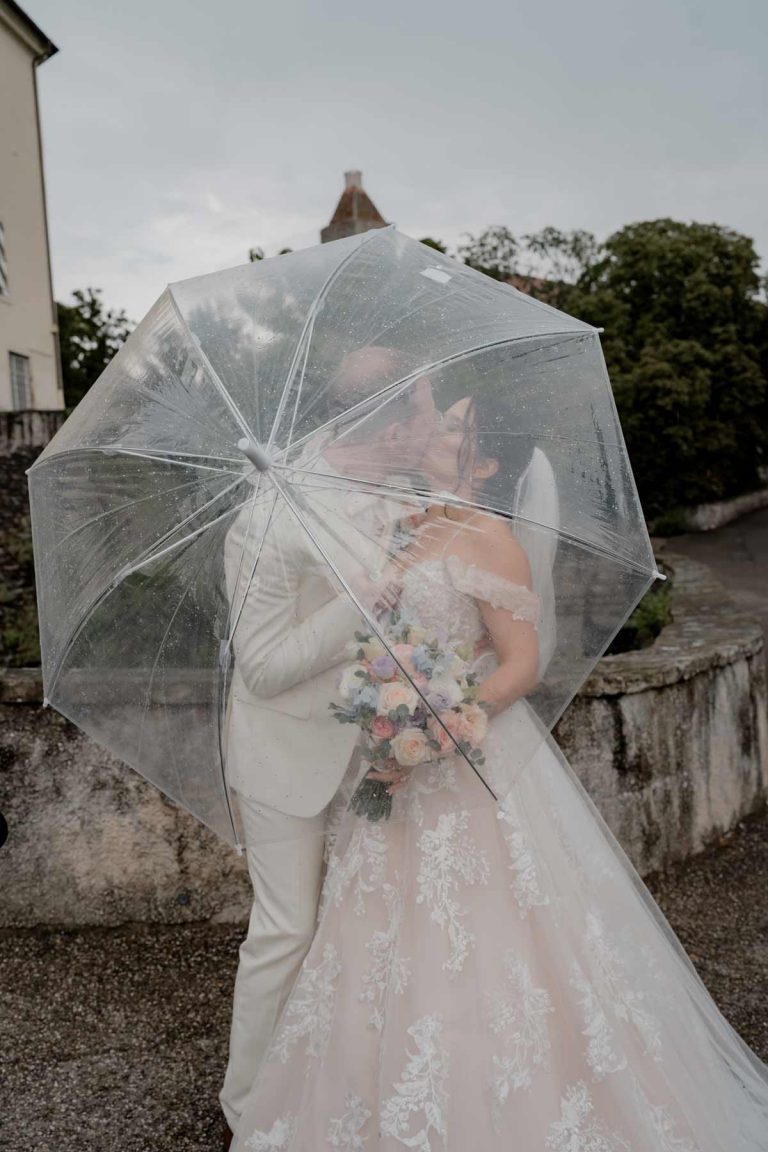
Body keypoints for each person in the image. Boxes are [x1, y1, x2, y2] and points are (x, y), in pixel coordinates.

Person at [229, 390, 768, 1150]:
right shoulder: (400, 523)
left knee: (492, 947)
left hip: (464, 765)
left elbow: (520, 665)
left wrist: (432, 729)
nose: (430, 431)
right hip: (389, 773)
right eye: (435, 419)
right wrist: (388, 719)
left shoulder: (491, 538)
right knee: (372, 947)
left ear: (482, 463)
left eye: (450, 428)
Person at [219, 346, 437, 1144]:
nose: (435, 428)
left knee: (376, 926)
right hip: (287, 752)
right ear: (385, 421)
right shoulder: (269, 516)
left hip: (381, 742)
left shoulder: (406, 493)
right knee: (289, 931)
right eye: (423, 413)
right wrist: (360, 604)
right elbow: (265, 666)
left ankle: (348, 1094)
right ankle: (247, 1110)